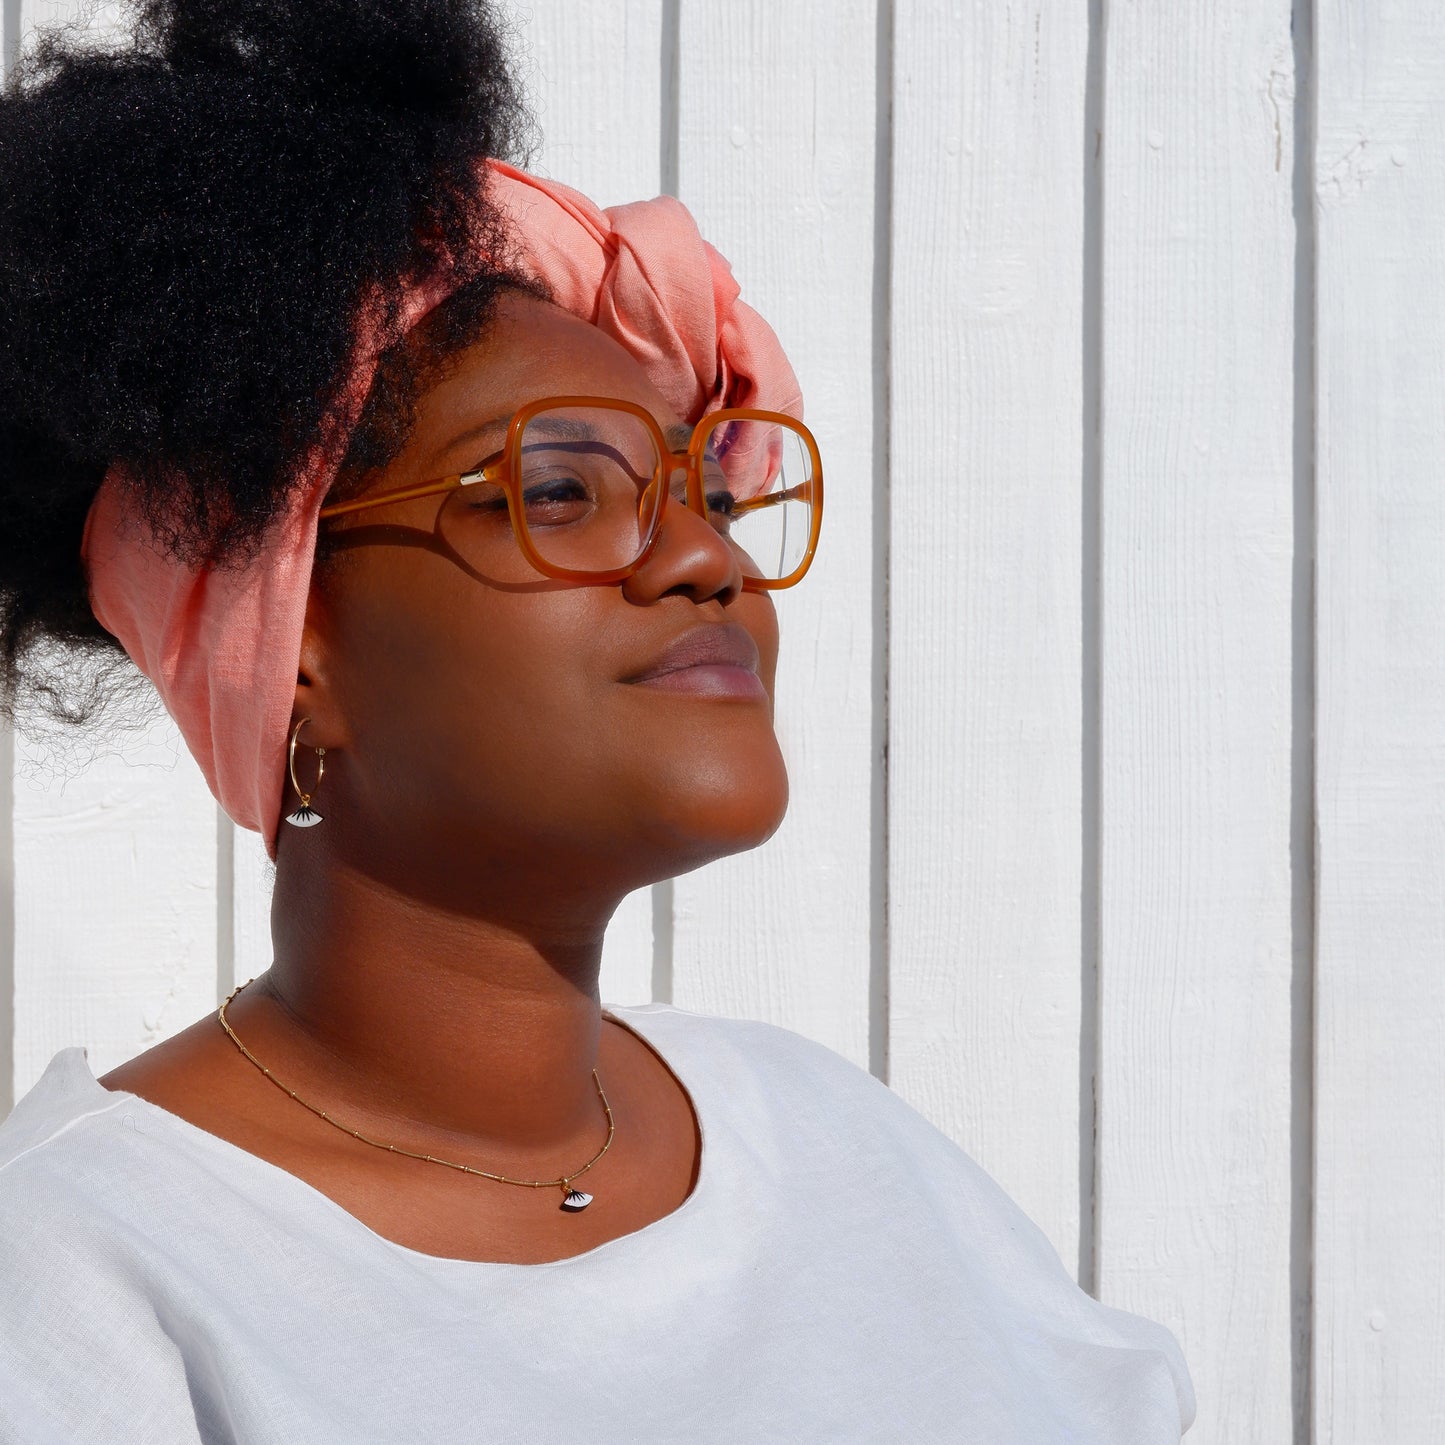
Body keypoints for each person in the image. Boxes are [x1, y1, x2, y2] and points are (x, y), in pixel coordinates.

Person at [0, 2, 1195, 1440]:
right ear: (291, 649)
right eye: (562, 491)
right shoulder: (82, 1277)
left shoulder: (833, 1141)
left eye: (710, 493)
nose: (711, 560)